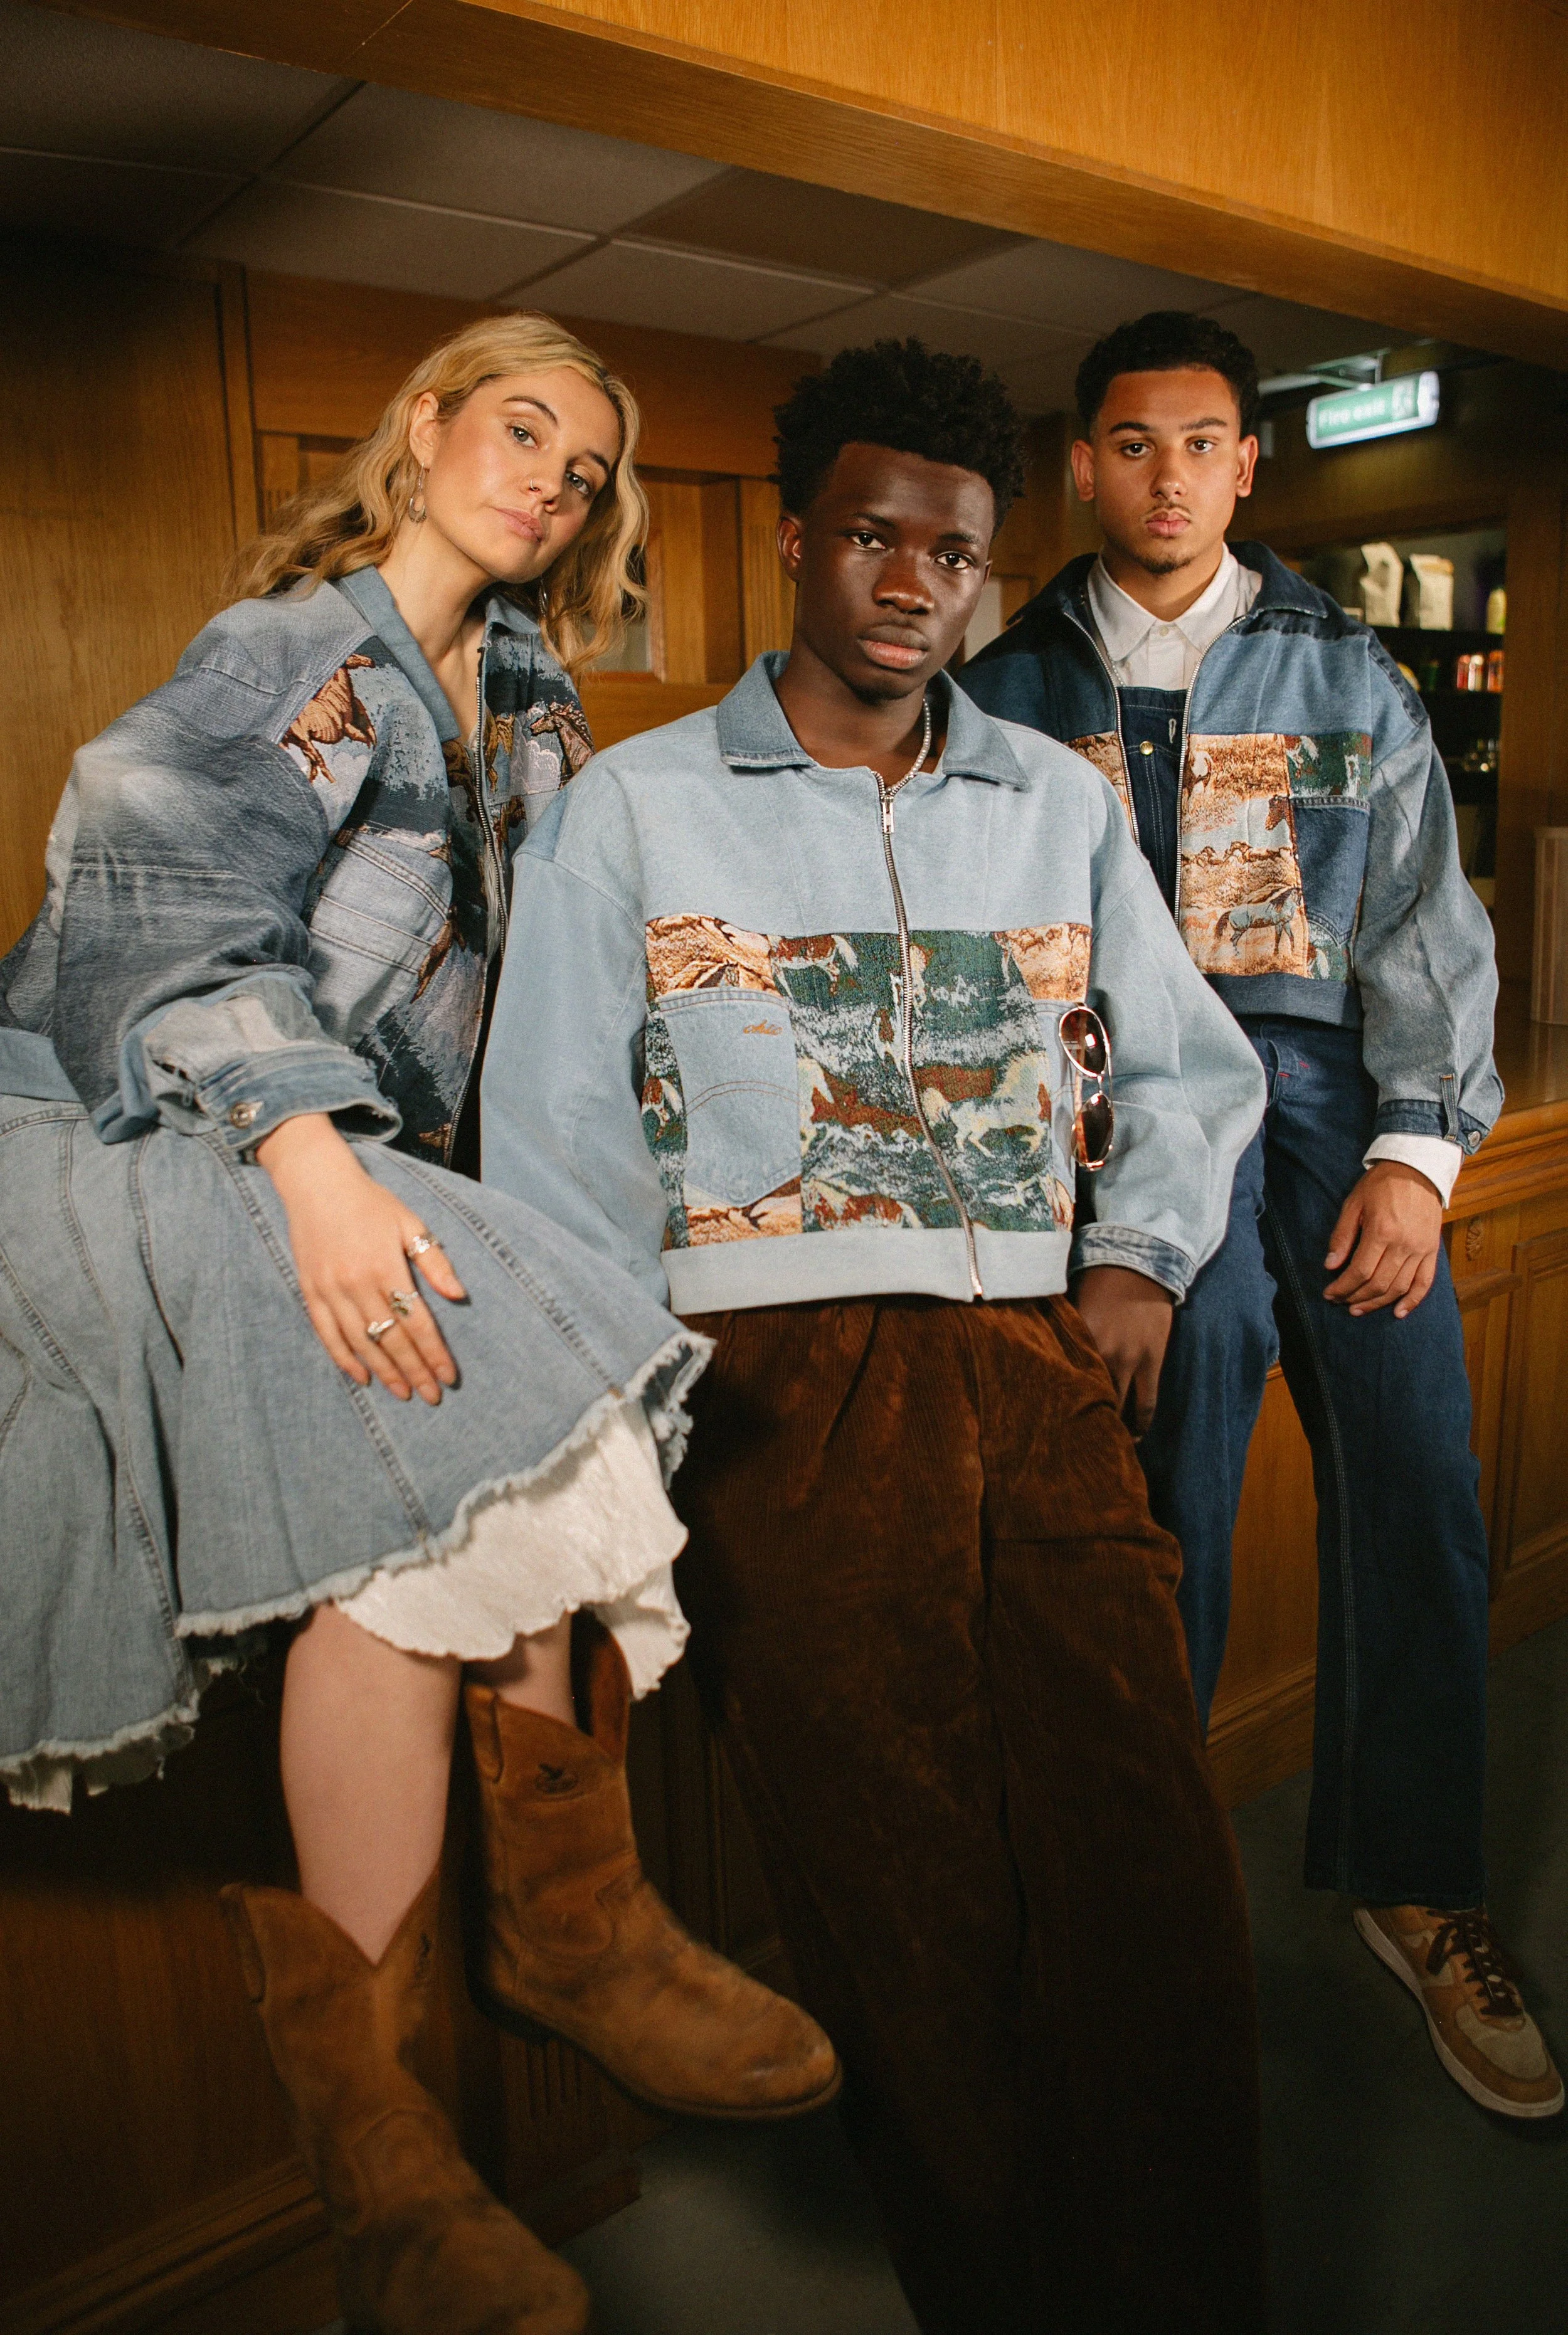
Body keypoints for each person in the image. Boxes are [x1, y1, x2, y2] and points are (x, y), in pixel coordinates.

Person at [0, 314, 838, 2335]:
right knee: (426, 1413)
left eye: (584, 467)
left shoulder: (527, 702)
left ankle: (563, 1935)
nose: (548, 480)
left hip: (334, 1139)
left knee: (504, 1421)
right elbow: (149, 889)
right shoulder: (291, 649)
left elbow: (578, 966)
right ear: (422, 425)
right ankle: (378, 2131)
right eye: (519, 429)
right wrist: (311, 1169)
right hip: (130, 1124)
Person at [482, 337, 1270, 2335]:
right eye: (870, 537)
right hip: (783, 1401)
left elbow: (1191, 1067)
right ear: (798, 542)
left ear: (988, 569)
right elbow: (555, 1144)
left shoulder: (1055, 804)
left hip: (1032, 1367)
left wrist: (1134, 1260)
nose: (911, 581)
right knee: (900, 1896)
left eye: (953, 552)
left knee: (1144, 1859)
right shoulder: (635, 810)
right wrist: (640, 1424)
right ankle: (994, 2289)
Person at [960, 307, 1563, 2121]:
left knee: (1421, 1475)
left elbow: (1422, 926)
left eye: (1203, 442)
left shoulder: (1343, 671)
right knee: (1164, 1492)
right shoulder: (1006, 687)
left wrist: (1414, 1158)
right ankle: (1144, 1896)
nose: (1169, 478)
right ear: (1084, 465)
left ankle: (1411, 1874)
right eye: (1133, 444)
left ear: (1247, 463)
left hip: (1324, 1097)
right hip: (1126, 1119)